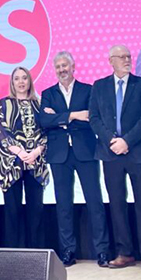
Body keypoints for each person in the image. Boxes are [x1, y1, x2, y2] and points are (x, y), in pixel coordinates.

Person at [38, 51, 110, 267]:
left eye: (65, 65)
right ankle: (68, 251)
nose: (62, 70)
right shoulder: (48, 93)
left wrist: (59, 118)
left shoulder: (89, 90)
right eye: (58, 66)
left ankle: (102, 251)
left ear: (73, 66)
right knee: (63, 205)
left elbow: (92, 118)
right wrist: (73, 115)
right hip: (60, 155)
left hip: (85, 152)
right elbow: (44, 120)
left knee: (95, 201)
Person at [90, 45, 141, 269]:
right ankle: (124, 252)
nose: (127, 59)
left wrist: (127, 141)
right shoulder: (99, 87)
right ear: (111, 61)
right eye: (122, 57)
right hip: (110, 153)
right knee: (117, 204)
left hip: (136, 151)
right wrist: (112, 141)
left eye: (129, 56)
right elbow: (94, 118)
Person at [0, 67, 50, 248]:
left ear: (29, 81)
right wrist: (19, 152)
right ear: (12, 82)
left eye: (24, 78)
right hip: (12, 165)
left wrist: (35, 152)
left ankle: (38, 252)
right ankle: (15, 253)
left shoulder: (39, 104)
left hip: (36, 163)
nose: (21, 82)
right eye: (17, 78)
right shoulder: (4, 103)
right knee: (12, 211)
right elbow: (0, 130)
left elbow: (46, 130)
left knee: (37, 210)